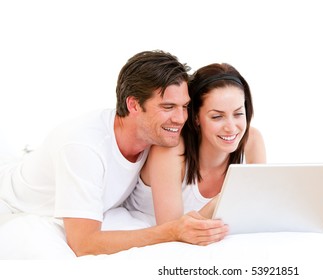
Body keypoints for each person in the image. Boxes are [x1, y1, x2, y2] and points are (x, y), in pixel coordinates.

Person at [0, 50, 228, 257]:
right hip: (10, 203)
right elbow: (84, 243)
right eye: (168, 107)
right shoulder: (84, 146)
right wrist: (170, 232)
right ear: (134, 105)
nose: (180, 118)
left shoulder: (157, 134)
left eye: (185, 106)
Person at [124, 62, 266, 227]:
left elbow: (258, 207)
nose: (231, 127)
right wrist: (224, 199)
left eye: (238, 114)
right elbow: (173, 230)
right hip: (143, 231)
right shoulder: (170, 150)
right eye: (217, 117)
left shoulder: (252, 139)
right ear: (196, 117)